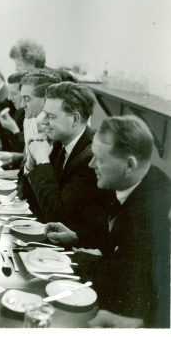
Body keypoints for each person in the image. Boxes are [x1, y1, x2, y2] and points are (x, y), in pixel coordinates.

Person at [44, 115, 171, 328]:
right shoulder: (128, 182)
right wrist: (77, 237)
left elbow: (122, 276)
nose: (92, 164)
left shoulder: (152, 213)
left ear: (129, 164)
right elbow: (116, 243)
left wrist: (80, 257)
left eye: (99, 159)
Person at [21, 82, 110, 237]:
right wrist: (31, 162)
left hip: (75, 248)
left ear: (75, 119)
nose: (43, 121)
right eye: (44, 113)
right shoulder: (59, 141)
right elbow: (28, 199)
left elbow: (56, 216)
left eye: (51, 116)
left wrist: (42, 159)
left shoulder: (91, 158)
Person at [0, 72, 26, 166]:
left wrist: (14, 130)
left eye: (14, 94)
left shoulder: (35, 115)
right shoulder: (18, 110)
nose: (9, 98)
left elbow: (27, 151)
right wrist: (0, 140)